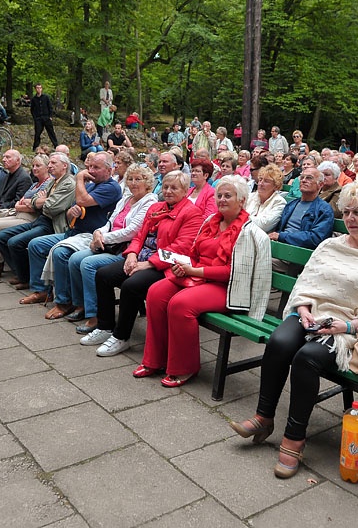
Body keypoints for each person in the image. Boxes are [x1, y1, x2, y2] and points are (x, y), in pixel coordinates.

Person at [230, 181, 358, 478]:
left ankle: (294, 438)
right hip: (313, 314)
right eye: (347, 211)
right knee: (279, 342)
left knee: (306, 358)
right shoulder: (330, 245)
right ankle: (264, 417)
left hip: (349, 330)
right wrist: (303, 309)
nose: (350, 218)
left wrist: (348, 325)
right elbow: (305, 285)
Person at [137, 175, 272, 386]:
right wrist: (183, 267)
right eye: (219, 195)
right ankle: (155, 360)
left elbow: (233, 273)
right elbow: (195, 254)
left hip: (226, 287)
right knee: (156, 292)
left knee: (180, 304)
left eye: (229, 195)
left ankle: (184, 367)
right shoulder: (211, 221)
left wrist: (195, 271)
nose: (222, 199)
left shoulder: (249, 232)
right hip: (197, 275)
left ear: (242, 200)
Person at [85, 171, 203, 353]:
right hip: (141, 257)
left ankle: (121, 336)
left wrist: (149, 264)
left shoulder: (192, 213)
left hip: (166, 265)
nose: (169, 191)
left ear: (186, 190)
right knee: (103, 275)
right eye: (166, 187)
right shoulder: (156, 207)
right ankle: (105, 326)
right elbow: (140, 236)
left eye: (174, 188)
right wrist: (132, 254)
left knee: (131, 285)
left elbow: (181, 247)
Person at [44, 165, 159, 332]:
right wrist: (98, 233)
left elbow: (131, 232)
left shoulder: (149, 202)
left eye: (138, 179)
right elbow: (110, 222)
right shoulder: (126, 198)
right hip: (109, 243)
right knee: (74, 259)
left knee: (88, 264)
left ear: (147, 182)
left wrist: (102, 238)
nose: (133, 183)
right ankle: (81, 305)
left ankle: (96, 314)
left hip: (125, 250)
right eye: (131, 179)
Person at [22, 151, 123, 305]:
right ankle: (41, 291)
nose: (91, 171)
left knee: (60, 253)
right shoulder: (91, 186)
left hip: (90, 236)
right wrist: (71, 212)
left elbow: (81, 200)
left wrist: (80, 178)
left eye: (96, 167)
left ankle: (64, 301)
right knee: (36, 245)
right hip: (73, 232)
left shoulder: (111, 187)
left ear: (109, 170)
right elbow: (71, 212)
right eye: (90, 167)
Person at [0, 152, 76, 289]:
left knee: (16, 243)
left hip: (53, 224)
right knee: (0, 237)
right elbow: (34, 199)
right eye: (49, 163)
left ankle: (37, 286)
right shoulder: (53, 181)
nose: (49, 166)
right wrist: (40, 200)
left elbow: (51, 208)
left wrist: (40, 201)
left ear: (64, 166)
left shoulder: (68, 183)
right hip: (41, 220)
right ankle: (23, 275)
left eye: (53, 163)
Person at [0, 154, 53, 280]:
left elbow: (34, 207)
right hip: (19, 213)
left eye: (38, 166)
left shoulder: (47, 184)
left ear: (47, 167)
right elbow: (22, 201)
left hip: (29, 218)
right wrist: (25, 204)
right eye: (33, 165)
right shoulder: (35, 184)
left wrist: (25, 204)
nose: (34, 168)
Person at [245, 165, 287, 233]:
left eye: (266, 181)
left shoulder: (279, 202)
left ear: (276, 186)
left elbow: (264, 225)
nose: (261, 183)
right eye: (260, 179)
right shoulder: (250, 197)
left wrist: (240, 217)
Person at [31, 83, 58, 149]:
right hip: (38, 118)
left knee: (51, 132)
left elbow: (50, 107)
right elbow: (32, 109)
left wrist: (50, 116)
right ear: (35, 89)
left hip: (46, 117)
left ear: (41, 89)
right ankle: (35, 147)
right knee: (37, 133)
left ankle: (56, 145)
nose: (39, 89)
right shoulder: (34, 99)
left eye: (40, 88)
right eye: (37, 88)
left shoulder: (46, 97)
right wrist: (35, 118)